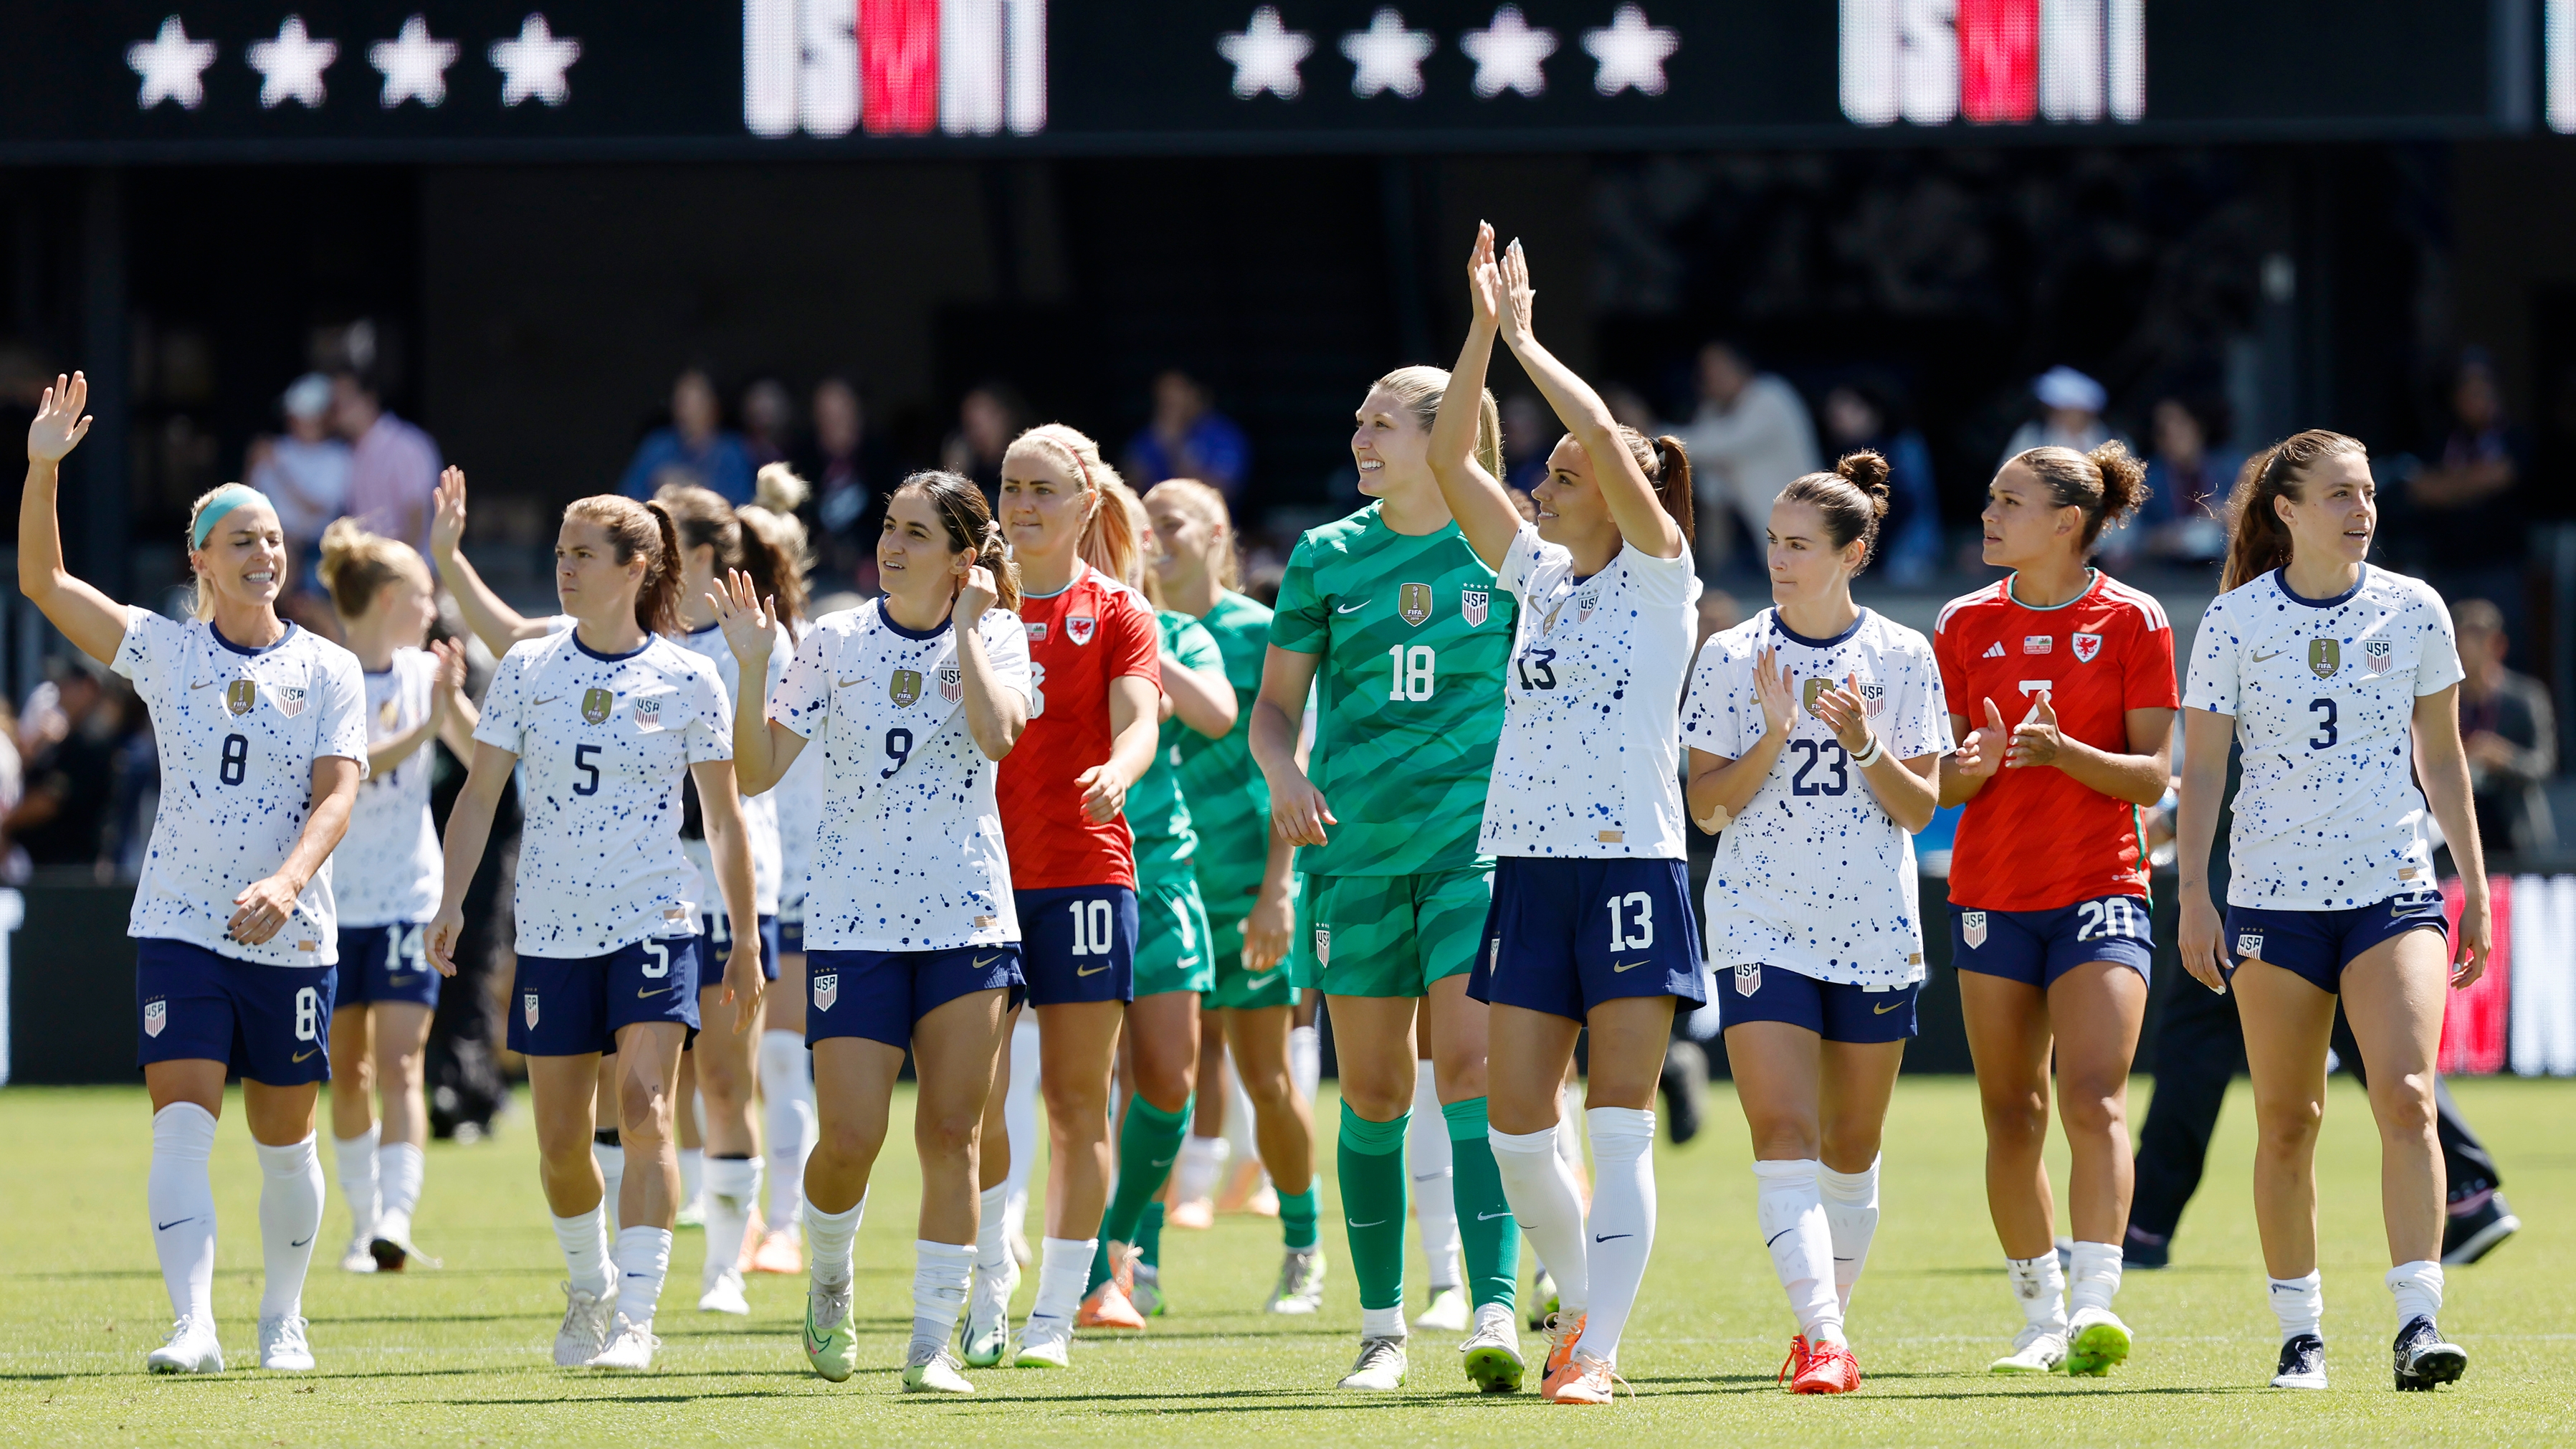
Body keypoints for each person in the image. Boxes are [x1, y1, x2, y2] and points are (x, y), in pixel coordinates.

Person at [20, 373, 369, 1374]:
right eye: (242, 540)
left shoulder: (329, 668)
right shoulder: (166, 652)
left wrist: (291, 882)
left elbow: (337, 794)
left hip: (291, 930)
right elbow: (44, 583)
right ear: (200, 562)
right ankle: (193, 1325)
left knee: (284, 1139)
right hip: (179, 919)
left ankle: (283, 1321)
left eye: (272, 538)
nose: (267, 552)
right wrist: (43, 468)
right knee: (180, 1121)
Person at [1431, 228, 1701, 1404]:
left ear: (1616, 489)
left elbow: (1596, 432)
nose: (1541, 477)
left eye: (1558, 473)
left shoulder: (1658, 571)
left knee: (1620, 1124)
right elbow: (1449, 459)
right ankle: (1585, 1305)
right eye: (1537, 470)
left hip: (1631, 867)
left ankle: (1592, 1355)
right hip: (1530, 870)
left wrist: (1533, 341)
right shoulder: (1537, 576)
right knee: (1509, 1129)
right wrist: (1482, 331)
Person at [2174, 429, 2490, 1393]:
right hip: (2270, 898)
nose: (2361, 510)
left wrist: (2468, 881)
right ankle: (2299, 1333)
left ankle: (2415, 1321)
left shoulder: (2413, 607)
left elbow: (2440, 759)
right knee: (2286, 1119)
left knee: (2404, 1096)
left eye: (2367, 495)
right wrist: (2194, 892)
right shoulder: (2231, 622)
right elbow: (2205, 771)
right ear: (2285, 511)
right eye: (2340, 495)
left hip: (2392, 887)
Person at [426, 491, 764, 1374]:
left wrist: (746, 937)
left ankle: (640, 1320)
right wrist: (452, 897)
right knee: (560, 1141)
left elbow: (725, 822)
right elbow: (479, 794)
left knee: (647, 1108)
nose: (563, 566)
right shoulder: (529, 669)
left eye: (582, 553)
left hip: (656, 919)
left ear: (635, 568)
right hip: (552, 931)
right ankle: (590, 1285)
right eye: (562, 550)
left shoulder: (691, 677)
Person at [710, 468, 1031, 1394]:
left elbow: (998, 733)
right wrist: (752, 666)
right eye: (890, 527)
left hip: (967, 916)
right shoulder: (836, 640)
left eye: (917, 534)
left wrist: (969, 628)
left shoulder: (1000, 634)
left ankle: (931, 1342)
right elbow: (759, 769)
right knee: (849, 1136)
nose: (891, 545)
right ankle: (828, 1278)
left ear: (962, 559)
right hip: (852, 920)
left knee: (950, 1132)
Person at [1252, 355, 1525, 1396]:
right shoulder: (1323, 558)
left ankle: (1492, 1305)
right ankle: (1380, 1330)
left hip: (1474, 854)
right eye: (1357, 422)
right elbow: (1274, 710)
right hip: (1355, 860)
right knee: (1370, 1092)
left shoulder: (1503, 553)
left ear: (1443, 434)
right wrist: (1280, 771)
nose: (1360, 440)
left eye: (1382, 425)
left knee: (1471, 1072)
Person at [1682, 451, 1951, 1396]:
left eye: (1798, 545)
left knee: (1851, 1146)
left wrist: (1862, 741)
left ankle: (1822, 1326)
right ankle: (1824, 1335)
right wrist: (1770, 732)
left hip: (1875, 925)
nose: (1778, 559)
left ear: (1852, 552)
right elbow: (1706, 808)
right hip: (1759, 922)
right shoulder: (1727, 654)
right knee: (1783, 1130)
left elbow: (1919, 809)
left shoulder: (1903, 655)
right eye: (1771, 541)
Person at [1932, 442, 2173, 1375]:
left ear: (2065, 523)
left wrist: (2063, 750)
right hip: (1989, 892)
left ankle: (2095, 1305)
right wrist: (1971, 766)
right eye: (1991, 497)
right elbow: (1939, 783)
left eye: (2008, 501)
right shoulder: (1958, 624)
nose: (1987, 515)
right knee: (2009, 1110)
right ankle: (2036, 1312)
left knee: (2091, 1095)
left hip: (2101, 885)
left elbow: (2153, 773)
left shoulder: (2131, 619)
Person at [965, 423, 1161, 1369]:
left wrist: (1117, 771)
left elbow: (1139, 724)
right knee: (974, 1101)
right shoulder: (970, 611)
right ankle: (989, 1291)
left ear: (1087, 503)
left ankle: (1058, 1307)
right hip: (973, 882)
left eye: (1044, 489)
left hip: (1084, 873)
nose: (1024, 505)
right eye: (1010, 487)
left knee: (1077, 1102)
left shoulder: (1117, 610)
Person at [1145, 477, 1320, 1313]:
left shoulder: (1260, 632)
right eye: (1142, 523)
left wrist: (1278, 891)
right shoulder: (1123, 625)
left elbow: (1294, 761)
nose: (1154, 536)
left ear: (1218, 533)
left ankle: (1302, 1241)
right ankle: (1131, 1262)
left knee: (1266, 1075)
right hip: (1154, 881)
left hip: (1249, 881)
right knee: (1148, 1076)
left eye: (1171, 522)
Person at [1069, 485, 1239, 1326]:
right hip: (1077, 874)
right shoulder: (1057, 623)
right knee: (1088, 1085)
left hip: (1164, 872)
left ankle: (1124, 1240)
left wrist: (1134, 624)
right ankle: (1094, 1268)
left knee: (1168, 1081)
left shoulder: (1175, 631)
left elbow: (1214, 712)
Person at [652, 480, 802, 1317]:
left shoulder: (755, 645)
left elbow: (750, 771)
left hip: (731, 885)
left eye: (665, 542)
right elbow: (520, 636)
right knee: (633, 1082)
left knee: (724, 1076)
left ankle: (725, 1268)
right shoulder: (629, 640)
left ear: (704, 556)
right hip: (644, 886)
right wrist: (452, 564)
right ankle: (626, 1267)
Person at [314, 519, 478, 1276]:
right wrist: (425, 722)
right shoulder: (325, 673)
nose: (432, 604)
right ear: (386, 598)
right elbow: (361, 763)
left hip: (412, 897)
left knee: (404, 1059)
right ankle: (358, 1223)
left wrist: (451, 705)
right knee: (347, 1069)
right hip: (334, 904)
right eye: (421, 591)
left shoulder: (427, 675)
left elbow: (482, 759)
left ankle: (394, 1219)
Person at [737, 471, 824, 1275]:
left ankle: (786, 1221)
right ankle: (752, 1213)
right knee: (760, 1059)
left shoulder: (786, 648)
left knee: (783, 1054)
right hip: (759, 873)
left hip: (796, 872)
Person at [1680, 341, 1819, 579]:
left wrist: (1652, 434)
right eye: (1705, 370)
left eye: (1717, 368)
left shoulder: (1770, 396)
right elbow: (1712, 488)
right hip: (1752, 540)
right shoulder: (1713, 411)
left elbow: (1722, 445)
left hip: (1804, 531)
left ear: (1741, 366)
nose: (1710, 376)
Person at [2453, 598, 2557, 854]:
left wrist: (2502, 757)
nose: (2467, 648)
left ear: (2497, 645)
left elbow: (2544, 765)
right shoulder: (2444, 700)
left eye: (2476, 639)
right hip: (2457, 831)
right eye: (2461, 638)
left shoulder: (2525, 697)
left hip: (2514, 833)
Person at [1821, 382, 1941, 586]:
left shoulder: (1901, 449)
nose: (1838, 419)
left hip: (1904, 552)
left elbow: (1908, 504)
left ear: (1873, 412)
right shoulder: (1839, 454)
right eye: (1833, 414)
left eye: (1849, 409)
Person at [247, 374, 353, 592]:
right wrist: (251, 464)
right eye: (294, 416)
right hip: (267, 538)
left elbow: (317, 508)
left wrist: (280, 471)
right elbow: (246, 500)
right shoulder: (274, 448)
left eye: (306, 417)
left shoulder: (339, 457)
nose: (296, 422)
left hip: (315, 548)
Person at [333, 370, 442, 555]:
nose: (338, 411)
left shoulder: (406, 445)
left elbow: (417, 517)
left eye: (345, 401)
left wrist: (400, 572)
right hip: (367, 572)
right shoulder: (346, 452)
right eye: (335, 404)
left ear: (368, 399)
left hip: (407, 572)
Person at [2127, 395, 2239, 566]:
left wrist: (2228, 514)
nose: (2177, 438)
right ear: (2159, 440)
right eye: (2166, 432)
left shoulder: (2230, 469)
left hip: (2223, 568)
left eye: (2182, 428)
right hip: (2169, 575)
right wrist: (2165, 538)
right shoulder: (2148, 480)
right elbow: (2132, 536)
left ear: (2198, 429)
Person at [621, 369, 755, 507]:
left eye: (696, 401)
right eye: (682, 401)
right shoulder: (657, 446)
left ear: (715, 406)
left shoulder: (732, 451)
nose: (686, 410)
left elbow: (742, 506)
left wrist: (692, 488)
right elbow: (628, 499)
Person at [1125, 371, 1251, 506]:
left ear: (1196, 394)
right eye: (1164, 396)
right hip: (1154, 522)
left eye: (1176, 394)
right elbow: (1130, 491)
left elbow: (1219, 491)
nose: (1169, 402)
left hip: (1207, 522)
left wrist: (1173, 445)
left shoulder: (1224, 436)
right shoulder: (1149, 436)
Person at [2000, 367, 2114, 467]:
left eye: (2066, 409)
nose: (2056, 415)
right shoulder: (2031, 436)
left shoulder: (2113, 444)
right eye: (2053, 408)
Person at [940, 384, 1026, 502]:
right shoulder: (970, 469)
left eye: (980, 425)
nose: (976, 434)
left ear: (1004, 417)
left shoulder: (1026, 464)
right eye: (970, 426)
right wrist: (952, 478)